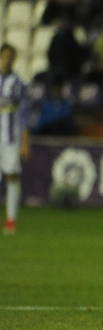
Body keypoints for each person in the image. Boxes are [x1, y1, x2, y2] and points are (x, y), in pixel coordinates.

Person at [0, 44, 31, 235]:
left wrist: (25, 141)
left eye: (11, 56)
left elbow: (24, 114)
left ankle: (11, 220)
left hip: (10, 137)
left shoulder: (18, 83)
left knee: (12, 176)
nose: (7, 59)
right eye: (4, 56)